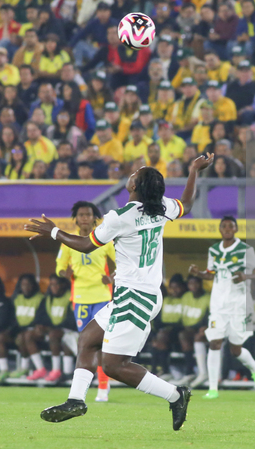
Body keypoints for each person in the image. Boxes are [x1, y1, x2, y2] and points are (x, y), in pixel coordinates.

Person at [24, 154, 214, 430]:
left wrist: (53, 232)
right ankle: (76, 400)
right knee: (87, 339)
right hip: (136, 294)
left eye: (136, 172)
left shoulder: (120, 217)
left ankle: (175, 395)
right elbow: (188, 203)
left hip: (135, 297)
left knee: (114, 365)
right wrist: (194, 170)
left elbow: (87, 245)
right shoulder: (161, 208)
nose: (132, 172)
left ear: (135, 185)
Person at [189, 216, 255, 399]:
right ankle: (213, 389)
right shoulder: (214, 250)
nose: (227, 229)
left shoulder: (245, 250)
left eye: (231, 226)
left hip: (238, 305)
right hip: (218, 304)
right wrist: (198, 273)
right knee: (214, 342)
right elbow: (211, 274)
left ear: (236, 229)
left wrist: (246, 277)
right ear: (220, 229)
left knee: (235, 348)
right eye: (224, 226)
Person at [56, 201, 116, 401]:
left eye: (88, 214)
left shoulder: (105, 239)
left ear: (94, 217)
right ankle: (90, 385)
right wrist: (65, 273)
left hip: (102, 296)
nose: (84, 218)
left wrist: (112, 278)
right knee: (87, 344)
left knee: (102, 343)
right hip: (80, 297)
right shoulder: (68, 241)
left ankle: (103, 386)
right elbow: (60, 266)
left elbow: (122, 261)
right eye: (81, 214)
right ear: (76, 218)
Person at [25, 274, 76, 382]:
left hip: (70, 331)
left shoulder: (71, 297)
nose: (53, 287)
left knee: (54, 334)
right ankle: (40, 369)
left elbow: (71, 319)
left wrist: (52, 328)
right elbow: (41, 315)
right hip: (52, 330)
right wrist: (40, 326)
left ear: (62, 285)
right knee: (29, 335)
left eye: (56, 284)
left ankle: (56, 370)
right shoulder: (48, 298)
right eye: (51, 285)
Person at [5, 274, 44, 379]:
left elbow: (41, 317)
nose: (26, 287)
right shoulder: (17, 299)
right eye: (23, 285)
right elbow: (12, 318)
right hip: (20, 330)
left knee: (26, 336)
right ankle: (23, 368)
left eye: (28, 284)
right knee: (19, 337)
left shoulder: (40, 298)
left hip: (37, 331)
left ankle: (40, 369)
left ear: (33, 285)